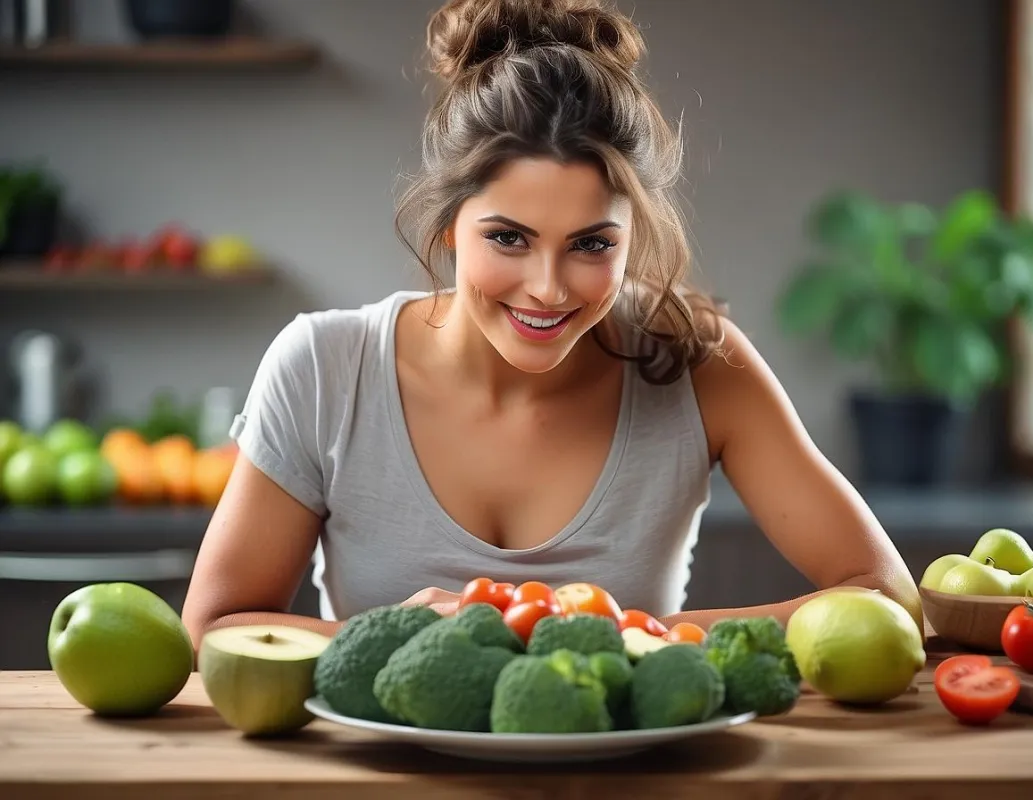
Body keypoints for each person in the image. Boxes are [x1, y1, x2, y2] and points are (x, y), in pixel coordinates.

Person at [180, 0, 922, 647]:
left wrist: (640, 636)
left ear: (632, 240)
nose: (546, 289)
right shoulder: (323, 367)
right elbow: (213, 626)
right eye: (508, 238)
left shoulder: (698, 360)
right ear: (448, 227)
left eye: (592, 245)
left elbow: (886, 594)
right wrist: (395, 636)